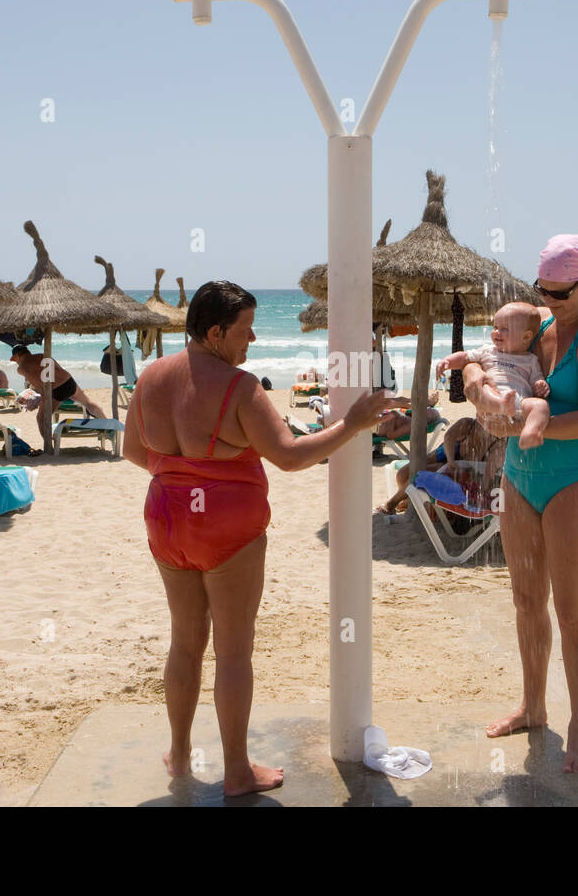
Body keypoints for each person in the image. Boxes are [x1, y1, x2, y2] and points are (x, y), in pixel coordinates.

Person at [123, 281, 392, 796]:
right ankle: (238, 772)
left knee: (184, 640)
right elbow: (290, 456)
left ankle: (179, 754)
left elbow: (135, 452)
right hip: (227, 527)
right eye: (245, 330)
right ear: (216, 332)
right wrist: (354, 423)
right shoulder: (240, 387)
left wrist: (186, 473)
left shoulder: (151, 377)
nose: (252, 341)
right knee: (233, 651)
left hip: (167, 518)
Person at [468, 234, 578, 774]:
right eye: (543, 291)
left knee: (572, 612)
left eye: (560, 294)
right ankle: (534, 706)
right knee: (525, 600)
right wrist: (472, 382)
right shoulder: (537, 322)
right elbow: (485, 358)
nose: (549, 302)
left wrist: (528, 427)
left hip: (574, 478)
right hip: (520, 476)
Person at [434, 302, 552, 448]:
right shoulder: (488, 351)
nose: (497, 332)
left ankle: (532, 430)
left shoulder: (531, 360)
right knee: (485, 388)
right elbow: (465, 357)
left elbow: (536, 379)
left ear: (526, 337)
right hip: (492, 397)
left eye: (504, 329)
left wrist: (540, 384)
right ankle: (501, 404)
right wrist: (448, 361)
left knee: (540, 405)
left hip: (518, 404)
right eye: (495, 327)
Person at [375, 416, 507, 515]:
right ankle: (408, 501)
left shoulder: (499, 444)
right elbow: (449, 436)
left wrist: (475, 485)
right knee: (402, 474)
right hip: (449, 456)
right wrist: (450, 460)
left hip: (461, 472)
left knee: (415, 476)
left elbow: (488, 477)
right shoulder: (469, 424)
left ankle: (391, 504)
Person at [11, 345, 106, 446]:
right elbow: (58, 369)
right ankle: (107, 424)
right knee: (88, 402)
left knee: (41, 418)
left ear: (17, 356)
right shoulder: (43, 356)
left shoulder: (21, 368)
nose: (16, 362)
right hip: (68, 381)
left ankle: (49, 445)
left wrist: (38, 398)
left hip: (55, 390)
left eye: (15, 359)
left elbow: (40, 386)